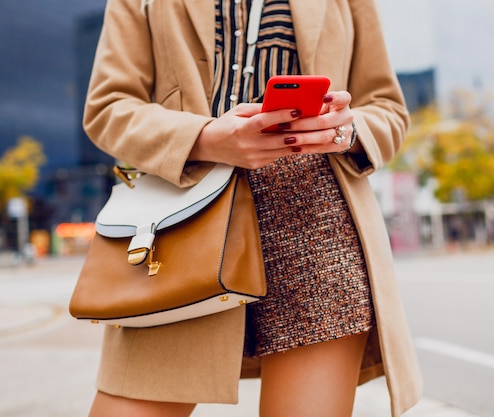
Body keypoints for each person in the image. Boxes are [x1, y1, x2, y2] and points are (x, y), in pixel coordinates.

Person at [82, 0, 422, 416]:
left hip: (316, 226)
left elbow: (387, 108)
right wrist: (206, 137)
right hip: (184, 224)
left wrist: (344, 130)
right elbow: (108, 107)